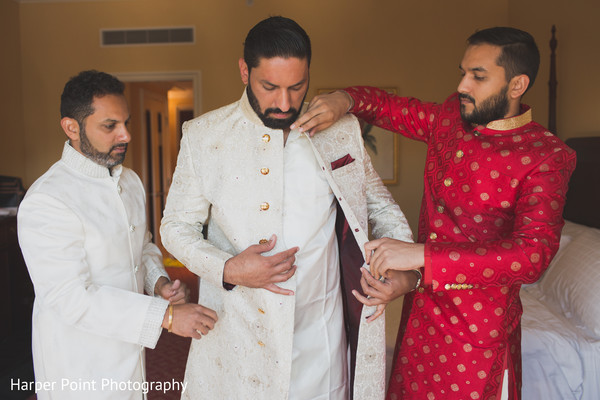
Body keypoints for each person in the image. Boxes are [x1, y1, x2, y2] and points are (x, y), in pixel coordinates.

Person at [292, 27, 576, 400]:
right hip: (420, 317)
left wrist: (419, 255)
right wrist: (344, 99)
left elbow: (531, 256)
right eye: (463, 72)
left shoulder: (545, 155)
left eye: (478, 76)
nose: (462, 85)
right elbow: (388, 107)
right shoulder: (448, 120)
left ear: (517, 85)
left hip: (477, 338)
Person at [160, 16, 415, 400]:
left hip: (321, 332)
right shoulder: (203, 136)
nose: (284, 103)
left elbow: (380, 208)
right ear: (244, 71)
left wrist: (404, 270)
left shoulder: (339, 129)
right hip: (239, 336)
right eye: (269, 87)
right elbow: (175, 227)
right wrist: (227, 268)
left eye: (297, 87)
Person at [17, 70, 218, 400]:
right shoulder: (47, 201)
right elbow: (71, 298)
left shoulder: (131, 182)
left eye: (126, 122)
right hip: (79, 364)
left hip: (130, 353)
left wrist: (158, 283)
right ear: (71, 127)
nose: (125, 134)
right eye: (110, 126)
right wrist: (166, 317)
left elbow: (144, 245)